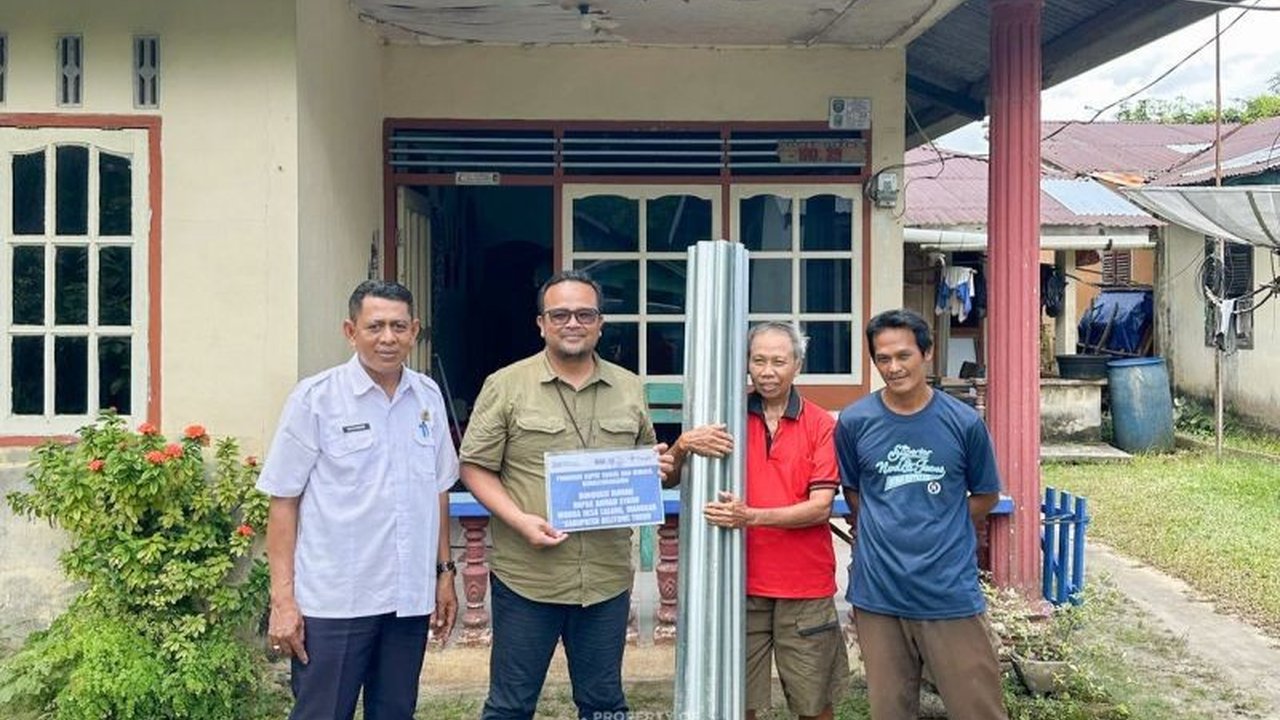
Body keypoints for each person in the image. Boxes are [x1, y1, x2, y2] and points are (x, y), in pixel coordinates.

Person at [459, 269, 671, 720]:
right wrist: (519, 521)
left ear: (600, 324)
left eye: (584, 314)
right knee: (510, 706)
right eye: (560, 315)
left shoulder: (629, 387)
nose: (572, 323)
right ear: (541, 324)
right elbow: (475, 466)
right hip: (528, 578)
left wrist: (661, 465)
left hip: (605, 578)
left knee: (604, 704)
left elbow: (646, 465)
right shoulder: (506, 385)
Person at [258, 280, 459, 720]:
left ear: (414, 331)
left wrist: (445, 573)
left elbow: (438, 489)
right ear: (351, 331)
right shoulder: (316, 399)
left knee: (396, 711)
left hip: (407, 599)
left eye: (398, 326)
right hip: (336, 601)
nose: (388, 338)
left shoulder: (426, 396)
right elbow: (283, 501)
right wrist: (283, 600)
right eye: (375, 326)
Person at [668, 321, 850, 720]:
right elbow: (668, 478)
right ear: (746, 364)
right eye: (758, 360)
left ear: (798, 365)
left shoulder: (821, 423)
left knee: (814, 703)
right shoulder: (725, 417)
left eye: (778, 362)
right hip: (737, 582)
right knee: (738, 701)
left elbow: (820, 507)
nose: (767, 371)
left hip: (804, 585)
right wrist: (682, 444)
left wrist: (750, 516)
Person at [835, 308, 1006, 720]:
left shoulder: (963, 423)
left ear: (926, 354)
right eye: (883, 358)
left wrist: (941, 523)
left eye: (903, 355)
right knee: (889, 710)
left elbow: (985, 494)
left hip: (947, 591)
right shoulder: (855, 422)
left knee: (978, 709)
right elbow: (855, 492)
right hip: (879, 592)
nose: (893, 367)